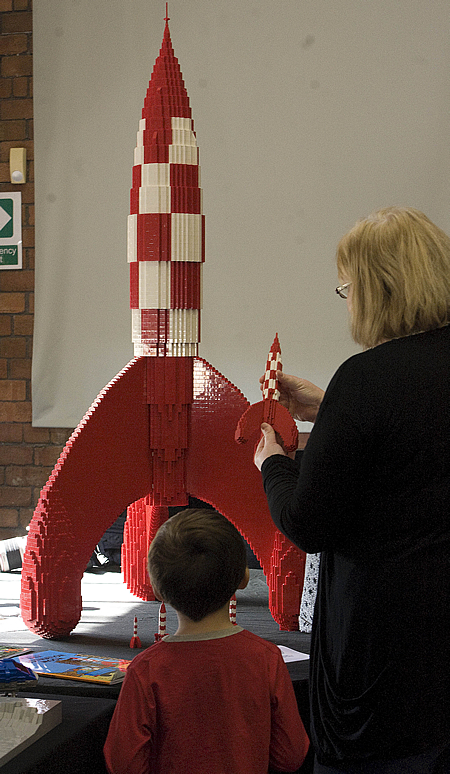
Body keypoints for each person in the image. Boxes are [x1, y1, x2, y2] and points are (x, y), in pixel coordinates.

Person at [254, 207, 450, 773]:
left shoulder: (365, 379)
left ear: (374, 289)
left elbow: (308, 522)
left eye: (347, 289)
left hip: (381, 652)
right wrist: (329, 408)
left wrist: (272, 463)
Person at [104, 508, 309, 774]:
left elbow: (124, 764)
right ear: (244, 578)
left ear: (156, 588)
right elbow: (290, 756)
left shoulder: (145, 669)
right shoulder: (266, 658)